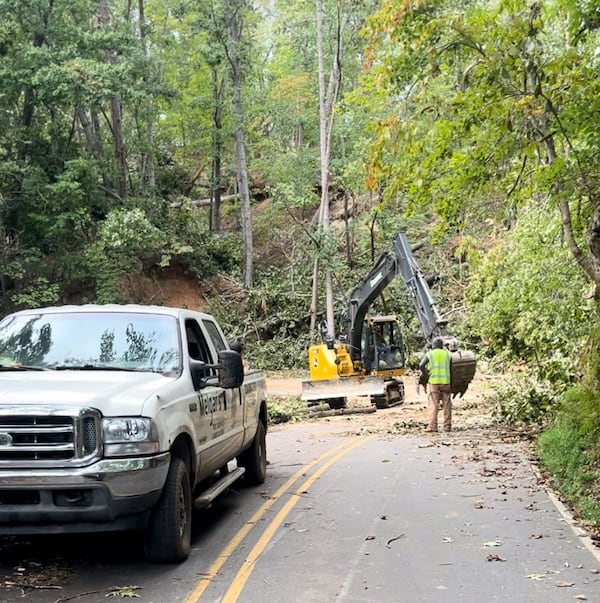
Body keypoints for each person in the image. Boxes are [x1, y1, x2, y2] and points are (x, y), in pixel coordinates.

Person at [419, 337, 453, 432]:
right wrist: (452, 382)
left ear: (433, 346)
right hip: (446, 382)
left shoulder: (430, 354)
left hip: (434, 382)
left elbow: (421, 365)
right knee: (447, 404)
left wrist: (426, 375)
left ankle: (433, 427)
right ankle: (447, 426)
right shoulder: (447, 354)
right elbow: (451, 370)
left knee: (434, 404)